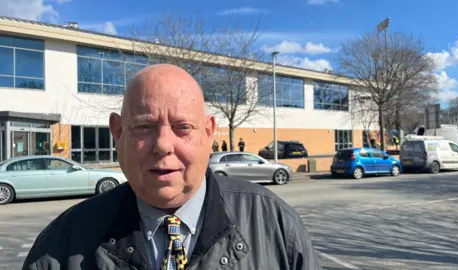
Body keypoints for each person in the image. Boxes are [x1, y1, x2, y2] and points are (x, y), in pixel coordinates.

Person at [22, 64, 320, 270]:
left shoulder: (276, 225)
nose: (163, 144)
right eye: (143, 127)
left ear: (208, 132)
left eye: (183, 127)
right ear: (117, 132)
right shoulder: (61, 244)